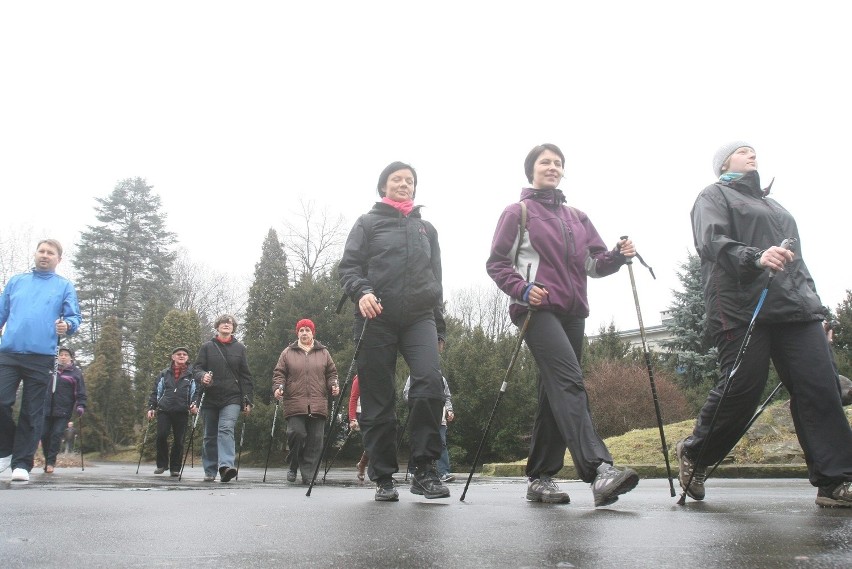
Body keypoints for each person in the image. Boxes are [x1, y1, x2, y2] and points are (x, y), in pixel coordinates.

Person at [677, 141, 852, 508]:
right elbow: (711, 242)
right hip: (741, 305)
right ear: (723, 163)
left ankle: (836, 482)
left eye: (753, 150)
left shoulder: (776, 207)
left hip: (794, 308)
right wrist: (756, 257)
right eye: (741, 151)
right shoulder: (714, 195)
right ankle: (696, 453)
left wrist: (818, 312)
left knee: (820, 386)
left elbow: (798, 264)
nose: (751, 153)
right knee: (743, 387)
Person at [486, 143, 640, 507]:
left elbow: (595, 264)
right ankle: (599, 471)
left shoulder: (577, 217)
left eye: (558, 163)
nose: (552, 167)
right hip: (536, 310)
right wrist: (523, 289)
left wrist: (618, 256)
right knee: (570, 381)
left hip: (573, 311)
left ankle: (540, 477)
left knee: (553, 390)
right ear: (532, 170)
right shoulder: (518, 212)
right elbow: (496, 264)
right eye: (545, 162)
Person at [339, 161, 450, 502]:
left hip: (420, 317)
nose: (405, 184)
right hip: (376, 317)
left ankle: (424, 469)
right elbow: (349, 266)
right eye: (397, 179)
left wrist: (439, 328)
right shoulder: (367, 223)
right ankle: (384, 476)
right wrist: (362, 292)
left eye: (410, 180)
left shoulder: (426, 229)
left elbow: (436, 280)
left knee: (430, 384)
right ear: (383, 186)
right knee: (378, 398)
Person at [0, 239, 81, 482]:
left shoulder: (64, 286)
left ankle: (22, 464)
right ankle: (6, 448)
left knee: (32, 411)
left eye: (50, 253)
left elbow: (75, 317)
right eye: (41, 251)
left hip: (42, 356)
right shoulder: (16, 281)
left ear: (58, 259)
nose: (44, 255)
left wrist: (66, 325)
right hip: (9, 352)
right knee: (2, 401)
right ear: (35, 254)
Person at [272, 318, 339, 484]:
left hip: (318, 402)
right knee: (297, 433)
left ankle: (308, 476)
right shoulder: (287, 352)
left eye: (307, 330)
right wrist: (278, 387)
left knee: (315, 441)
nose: (304, 333)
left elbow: (332, 373)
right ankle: (293, 463)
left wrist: (333, 385)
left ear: (312, 332)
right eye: (301, 330)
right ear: (297, 333)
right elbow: (279, 373)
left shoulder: (323, 352)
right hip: (295, 401)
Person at [194, 314, 254, 482]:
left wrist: (247, 400)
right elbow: (196, 369)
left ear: (233, 327)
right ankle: (210, 470)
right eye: (223, 322)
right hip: (210, 397)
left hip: (232, 397)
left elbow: (245, 377)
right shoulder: (207, 347)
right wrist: (202, 376)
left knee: (226, 429)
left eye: (230, 323)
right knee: (209, 435)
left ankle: (226, 467)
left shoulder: (240, 348)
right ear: (217, 326)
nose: (227, 325)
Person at [147, 347, 203, 476]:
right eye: (178, 354)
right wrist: (151, 407)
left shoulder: (193, 374)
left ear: (187, 358)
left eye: (184, 354)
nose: (182, 356)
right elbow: (155, 392)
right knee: (161, 436)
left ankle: (175, 468)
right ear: (173, 357)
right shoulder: (164, 373)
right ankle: (161, 465)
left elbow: (197, 393)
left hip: (182, 411)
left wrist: (195, 405)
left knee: (179, 440)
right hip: (164, 410)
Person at [41, 347, 86, 473]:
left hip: (63, 410)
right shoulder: (50, 370)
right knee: (44, 435)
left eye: (66, 355)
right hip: (46, 408)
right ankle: (47, 459)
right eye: (61, 354)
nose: (63, 357)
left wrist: (81, 405)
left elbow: (81, 391)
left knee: (56, 435)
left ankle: (51, 462)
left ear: (71, 357)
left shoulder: (75, 373)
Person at [403, 374, 455, 482]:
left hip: (439, 418)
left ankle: (444, 472)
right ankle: (414, 470)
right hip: (420, 416)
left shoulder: (441, 379)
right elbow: (406, 394)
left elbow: (447, 396)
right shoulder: (413, 376)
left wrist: (449, 410)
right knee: (418, 442)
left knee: (442, 443)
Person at [348, 375, 369, 482]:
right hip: (362, 413)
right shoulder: (359, 377)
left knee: (375, 441)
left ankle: (362, 464)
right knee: (370, 442)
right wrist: (352, 418)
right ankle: (362, 466)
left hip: (376, 412)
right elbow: (353, 398)